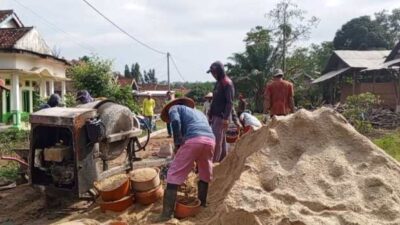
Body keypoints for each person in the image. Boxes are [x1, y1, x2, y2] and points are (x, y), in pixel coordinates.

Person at [159, 97, 215, 221]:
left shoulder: (174, 108)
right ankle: (202, 203)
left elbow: (175, 121)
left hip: (194, 140)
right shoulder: (198, 112)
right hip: (210, 140)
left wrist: (178, 144)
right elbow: (201, 131)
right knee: (204, 172)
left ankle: (166, 214)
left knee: (173, 173)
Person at [207, 61, 234, 163]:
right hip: (216, 116)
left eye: (214, 72)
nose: (213, 75)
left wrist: (226, 118)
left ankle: (213, 165)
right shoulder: (218, 83)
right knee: (221, 142)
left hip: (222, 117)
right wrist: (210, 113)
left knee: (216, 142)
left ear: (219, 71)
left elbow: (229, 102)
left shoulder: (227, 83)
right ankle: (222, 163)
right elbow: (215, 100)